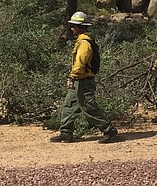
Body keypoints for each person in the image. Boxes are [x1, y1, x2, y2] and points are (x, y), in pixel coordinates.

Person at [50, 12, 117, 143]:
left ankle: (109, 130)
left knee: (88, 107)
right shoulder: (81, 41)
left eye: (74, 26)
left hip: (83, 81)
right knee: (69, 105)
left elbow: (80, 63)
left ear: (81, 27)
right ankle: (66, 132)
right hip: (79, 80)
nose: (71, 28)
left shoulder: (85, 43)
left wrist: (72, 77)